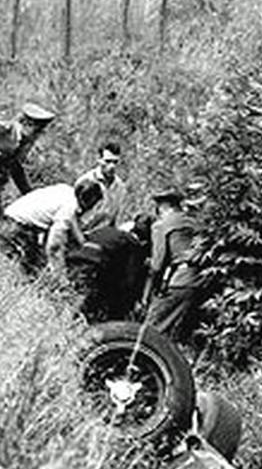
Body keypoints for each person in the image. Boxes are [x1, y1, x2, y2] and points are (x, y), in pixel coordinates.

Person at [0, 179, 103, 275]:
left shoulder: (66, 190)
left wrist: (82, 241)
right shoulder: (68, 209)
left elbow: (72, 222)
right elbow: (54, 246)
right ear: (88, 202)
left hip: (7, 221)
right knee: (30, 272)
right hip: (13, 231)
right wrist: (60, 277)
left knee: (38, 262)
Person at [142, 187, 203, 348]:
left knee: (152, 328)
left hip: (182, 281)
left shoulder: (161, 225)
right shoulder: (194, 222)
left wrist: (147, 294)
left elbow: (157, 265)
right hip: (203, 279)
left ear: (163, 206)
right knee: (184, 333)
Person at [66, 214, 153, 323]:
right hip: (92, 266)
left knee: (75, 295)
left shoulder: (106, 230)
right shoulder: (132, 243)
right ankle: (74, 322)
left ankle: (66, 320)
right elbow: (130, 279)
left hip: (73, 260)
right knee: (86, 300)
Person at [75, 142, 128, 232]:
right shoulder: (86, 181)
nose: (112, 166)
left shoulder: (120, 187)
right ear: (99, 160)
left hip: (105, 233)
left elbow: (116, 218)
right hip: (83, 232)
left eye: (115, 162)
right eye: (108, 161)